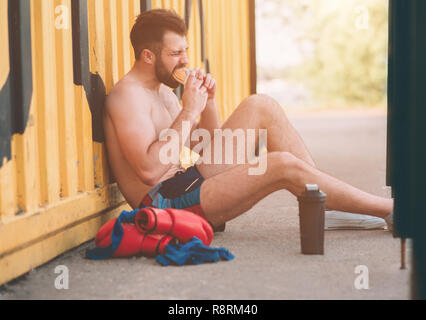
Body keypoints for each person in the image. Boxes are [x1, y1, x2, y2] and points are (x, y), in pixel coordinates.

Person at [104, 9, 393, 232]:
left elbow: (206, 149)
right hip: (165, 204)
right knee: (279, 163)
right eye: (176, 53)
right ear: (147, 56)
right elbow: (149, 171)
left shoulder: (164, 93)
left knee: (261, 105)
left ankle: (321, 203)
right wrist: (189, 111)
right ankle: (390, 209)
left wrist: (209, 103)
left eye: (186, 51)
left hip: (190, 185)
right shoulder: (126, 96)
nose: (185, 60)